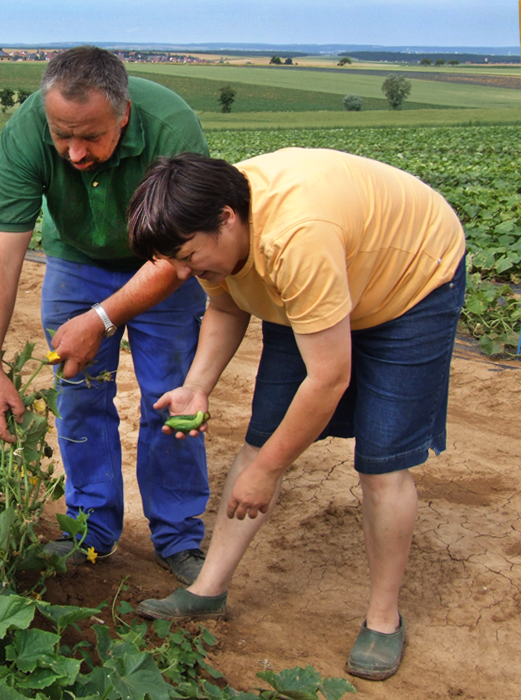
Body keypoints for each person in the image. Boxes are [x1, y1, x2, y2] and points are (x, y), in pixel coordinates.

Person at [125, 148, 466, 681]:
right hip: (324, 275)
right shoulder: (209, 231)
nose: (186, 272)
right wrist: (197, 387)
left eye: (190, 258)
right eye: (179, 262)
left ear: (228, 219)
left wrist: (268, 472)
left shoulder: (293, 238)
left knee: (380, 461)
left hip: (411, 281)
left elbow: (329, 378)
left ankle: (383, 619)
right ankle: (207, 590)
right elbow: (227, 305)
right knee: (263, 437)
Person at [0, 46, 211, 585]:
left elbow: (182, 254)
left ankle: (177, 536)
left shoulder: (171, 127)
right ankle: (91, 531)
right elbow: (3, 251)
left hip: (163, 264)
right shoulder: (28, 127)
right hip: (78, 261)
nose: (75, 153)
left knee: (170, 399)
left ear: (123, 115)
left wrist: (102, 318)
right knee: (79, 398)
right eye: (63, 135)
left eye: (91, 136)